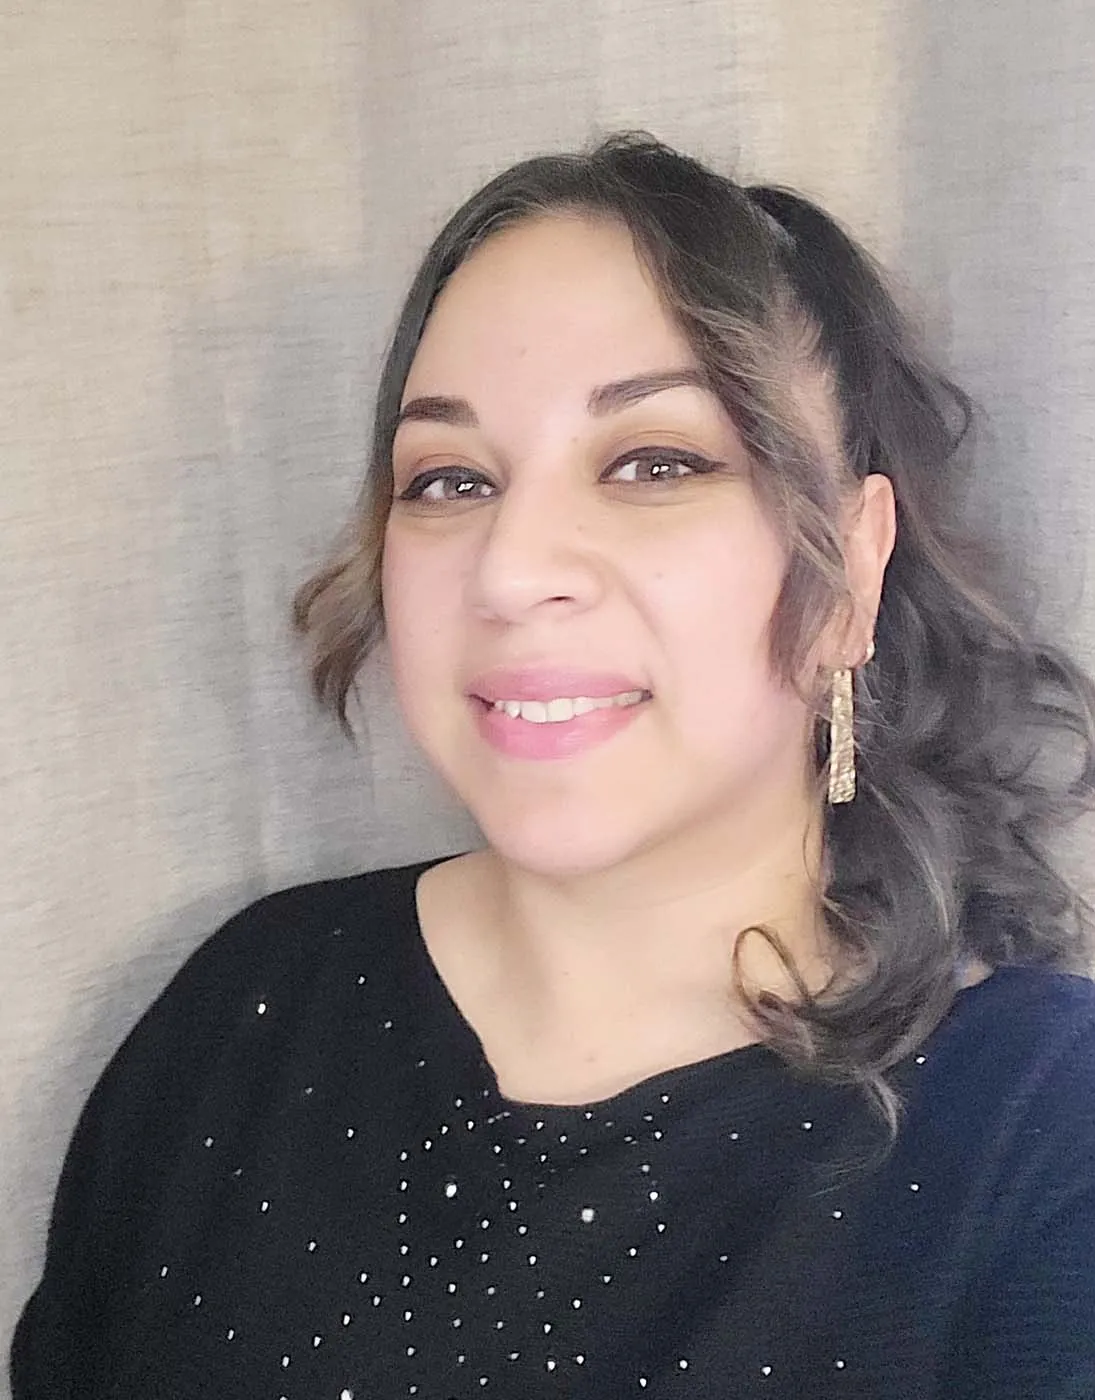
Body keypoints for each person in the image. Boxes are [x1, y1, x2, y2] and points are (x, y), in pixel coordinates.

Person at [11, 133, 1095, 1399]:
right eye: (451, 478)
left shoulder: (1044, 1139)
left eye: (654, 462)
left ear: (850, 569)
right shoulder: (239, 1017)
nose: (512, 568)